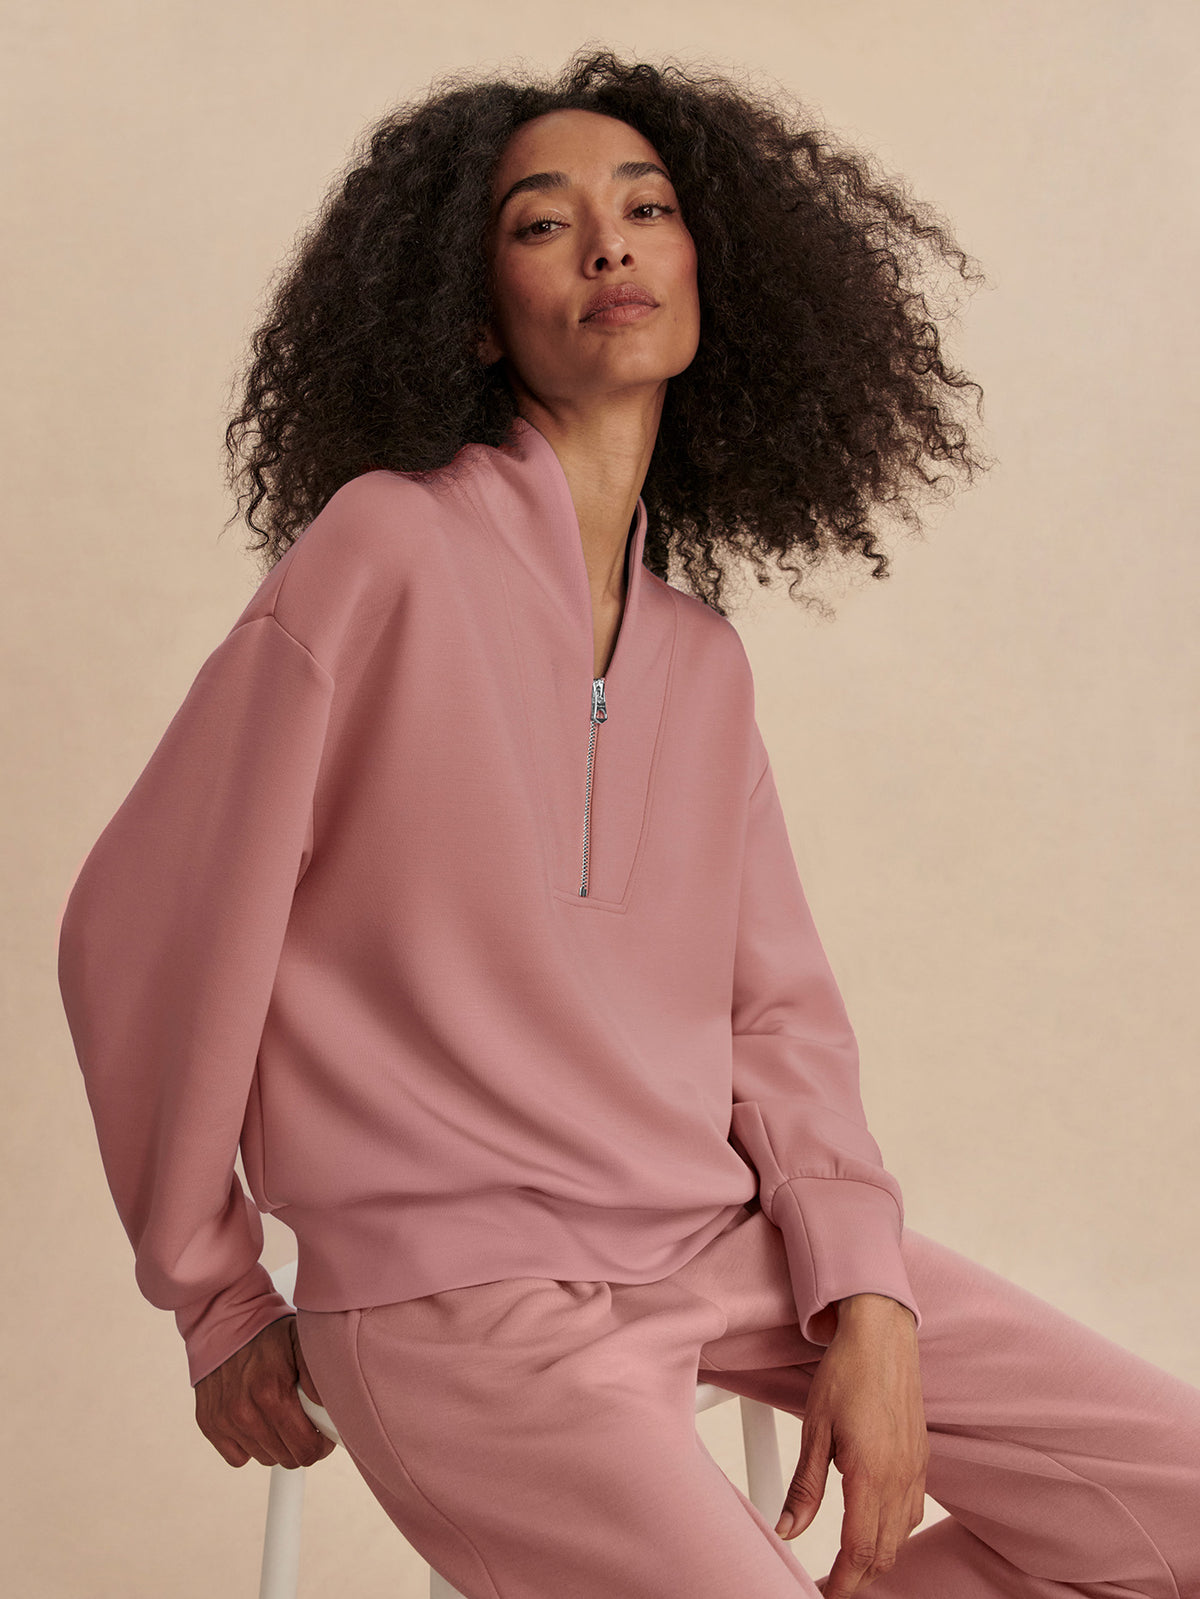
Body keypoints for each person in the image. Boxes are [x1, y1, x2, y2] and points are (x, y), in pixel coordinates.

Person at [57, 47, 1200, 1599]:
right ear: (473, 315)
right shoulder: (383, 554)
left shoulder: (700, 662)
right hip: (463, 1305)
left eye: (647, 208)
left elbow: (777, 1019)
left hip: (717, 1245)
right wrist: (216, 1292)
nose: (609, 245)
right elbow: (143, 922)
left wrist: (865, 1289)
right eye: (543, 223)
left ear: (713, 272)